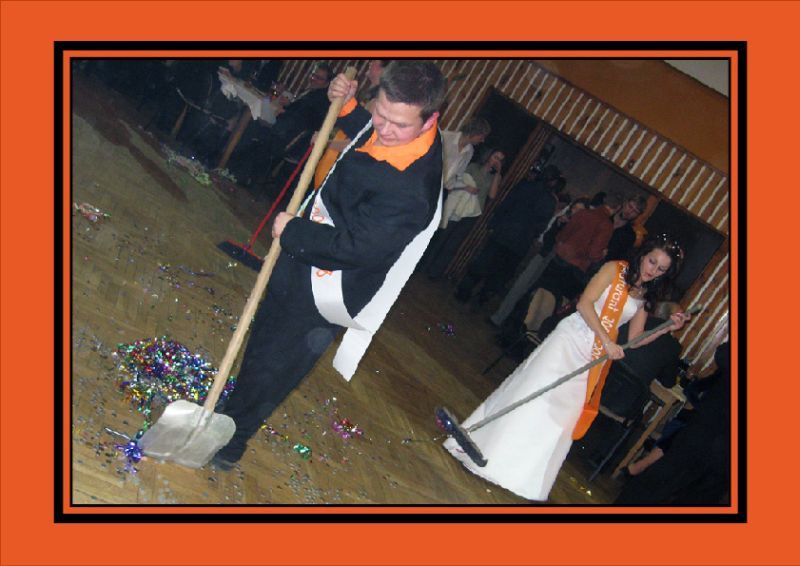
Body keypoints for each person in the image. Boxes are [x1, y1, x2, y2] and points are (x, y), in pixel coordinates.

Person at [212, 61, 446, 470]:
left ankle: (231, 441)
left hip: (330, 285)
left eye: (399, 125)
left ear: (430, 120)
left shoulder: (412, 192)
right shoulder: (395, 124)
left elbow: (358, 249)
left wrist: (293, 230)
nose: (385, 130)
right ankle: (227, 412)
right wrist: (348, 104)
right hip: (306, 253)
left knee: (278, 364)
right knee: (262, 343)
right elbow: (367, 130)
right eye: (381, 114)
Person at [444, 234, 690, 500]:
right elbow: (585, 303)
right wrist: (606, 340)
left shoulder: (645, 296)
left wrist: (667, 328)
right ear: (644, 254)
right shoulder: (615, 269)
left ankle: (520, 474)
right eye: (652, 261)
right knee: (532, 393)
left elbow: (635, 339)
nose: (652, 270)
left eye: (661, 269)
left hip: (594, 355)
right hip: (571, 339)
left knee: (563, 416)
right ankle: (485, 448)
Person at [615, 341, 730, 504]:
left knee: (692, 486)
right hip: (709, 427)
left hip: (713, 434)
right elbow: (723, 355)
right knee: (671, 475)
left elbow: (723, 356)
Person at [454, 167, 566, 307]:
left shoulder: (525, 186)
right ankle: (481, 300)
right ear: (553, 182)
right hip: (520, 243)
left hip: (503, 231)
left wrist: (494, 223)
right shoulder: (549, 202)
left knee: (483, 263)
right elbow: (540, 226)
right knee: (500, 274)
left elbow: (506, 204)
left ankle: (463, 291)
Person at [422, 147, 505, 279]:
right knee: (443, 235)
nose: (496, 161)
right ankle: (424, 266)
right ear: (489, 155)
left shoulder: (495, 177)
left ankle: (435, 272)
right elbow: (457, 182)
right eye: (495, 157)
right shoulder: (474, 167)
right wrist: (467, 188)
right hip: (457, 205)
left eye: (500, 160)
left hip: (472, 212)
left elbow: (492, 195)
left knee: (453, 242)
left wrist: (498, 173)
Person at [441, 117, 491, 190]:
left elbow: (458, 175)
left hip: (442, 189)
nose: (482, 140)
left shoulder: (470, 151)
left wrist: (464, 187)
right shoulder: (446, 137)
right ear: (474, 132)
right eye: (481, 137)